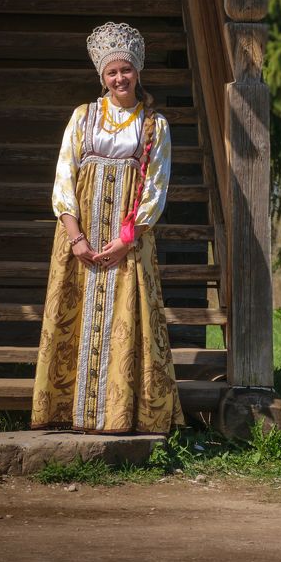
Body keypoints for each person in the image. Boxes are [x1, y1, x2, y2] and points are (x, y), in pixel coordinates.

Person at [31, 22, 184, 434]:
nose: (120, 78)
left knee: (129, 321)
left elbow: (155, 188)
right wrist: (75, 237)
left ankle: (121, 416)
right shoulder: (83, 118)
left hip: (127, 244)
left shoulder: (154, 126)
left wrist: (124, 241)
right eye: (112, 72)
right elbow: (64, 179)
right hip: (79, 242)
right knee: (75, 316)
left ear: (138, 72)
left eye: (126, 70)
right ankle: (68, 412)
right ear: (102, 76)